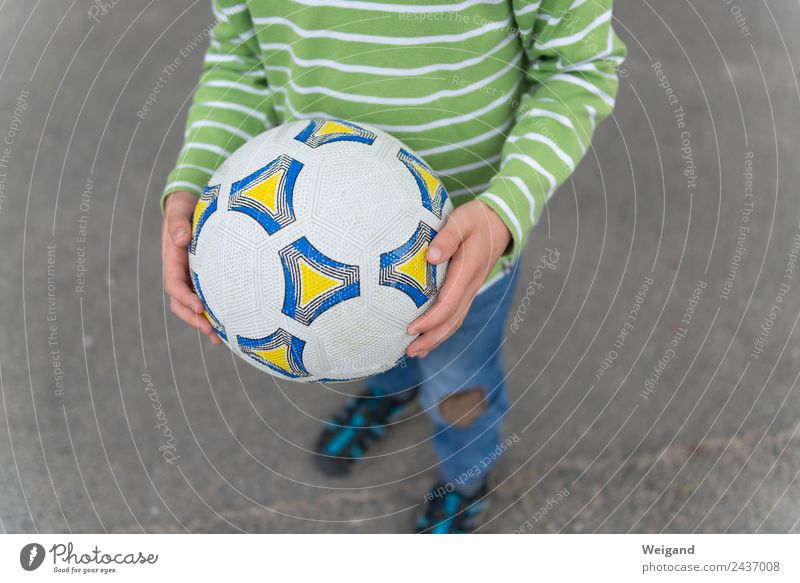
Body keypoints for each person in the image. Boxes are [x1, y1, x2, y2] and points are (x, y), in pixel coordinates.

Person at [161, 0, 626, 533]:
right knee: (376, 344)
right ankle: (390, 388)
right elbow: (243, 57)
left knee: (458, 388)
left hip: (463, 268)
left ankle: (466, 478)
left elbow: (578, 67)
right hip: (318, 275)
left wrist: (505, 207)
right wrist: (197, 179)